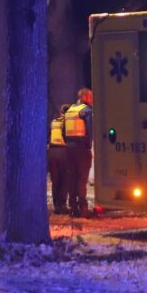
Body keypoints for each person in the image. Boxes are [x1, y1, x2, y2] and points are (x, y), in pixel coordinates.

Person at [63, 88, 93, 217]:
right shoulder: (86, 110)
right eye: (91, 97)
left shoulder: (69, 111)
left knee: (72, 177)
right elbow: (90, 131)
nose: (92, 100)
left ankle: (73, 207)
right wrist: (88, 146)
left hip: (69, 148)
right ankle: (83, 208)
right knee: (82, 179)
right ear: (85, 97)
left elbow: (64, 132)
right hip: (81, 148)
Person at [47, 104, 70, 214]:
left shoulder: (54, 122)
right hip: (63, 152)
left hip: (52, 152)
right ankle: (62, 205)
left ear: (61, 112)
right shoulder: (67, 123)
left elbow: (48, 136)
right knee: (65, 179)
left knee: (55, 180)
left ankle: (56, 205)